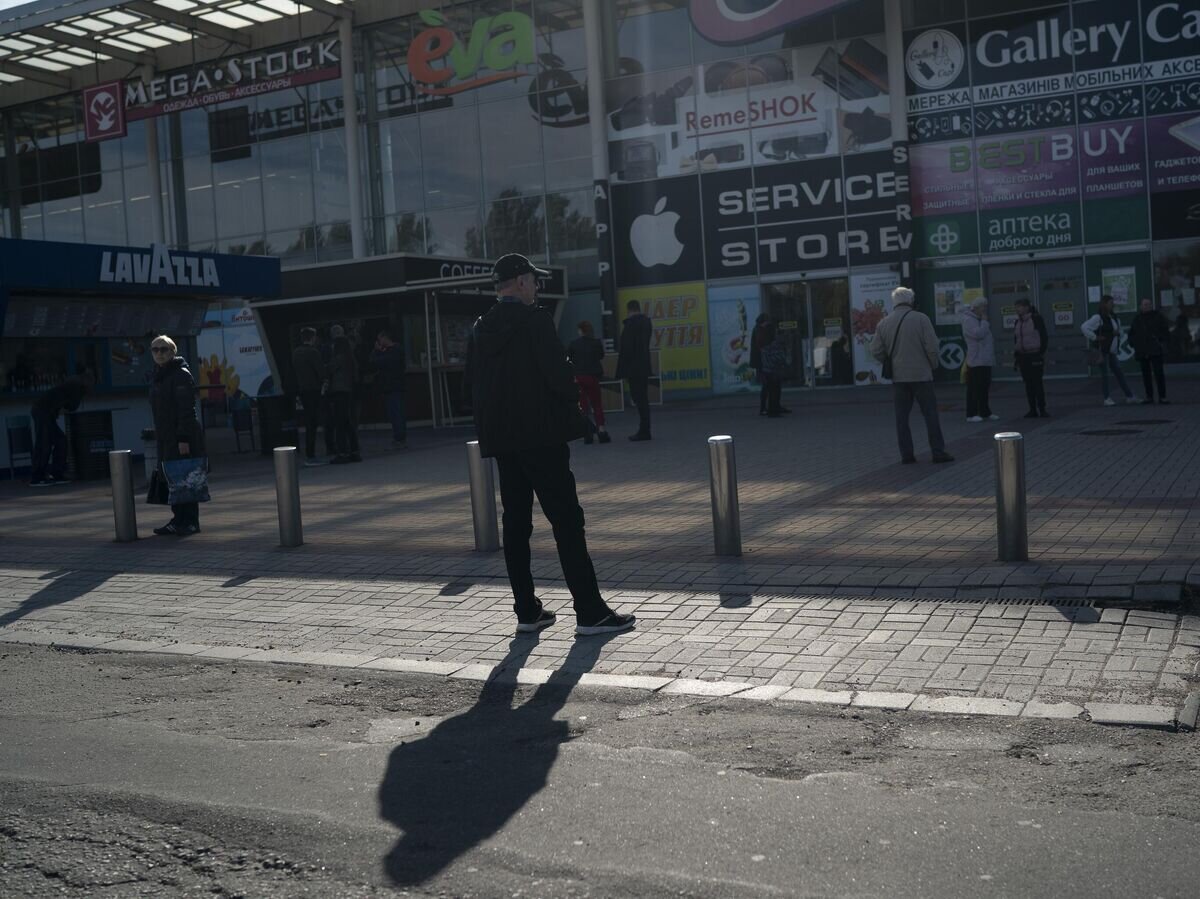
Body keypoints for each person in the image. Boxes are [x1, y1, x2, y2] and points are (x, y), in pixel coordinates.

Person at [465, 253, 634, 637]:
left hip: (504, 441)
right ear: (522, 282)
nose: (538, 287)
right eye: (535, 280)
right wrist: (571, 398)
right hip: (541, 437)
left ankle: (527, 610)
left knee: (516, 523)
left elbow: (470, 386)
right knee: (567, 521)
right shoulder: (535, 320)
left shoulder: (481, 328)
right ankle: (590, 611)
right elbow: (559, 377)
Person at [870, 286, 954, 465]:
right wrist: (933, 365)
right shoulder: (921, 319)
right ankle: (938, 452)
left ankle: (907, 455)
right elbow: (932, 346)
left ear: (894, 302)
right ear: (911, 300)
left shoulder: (884, 323)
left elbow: (875, 350)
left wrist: (889, 360)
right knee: (930, 415)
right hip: (922, 376)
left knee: (902, 418)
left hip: (899, 378)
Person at [148, 335, 204, 536]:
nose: (159, 353)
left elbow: (186, 409)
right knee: (172, 478)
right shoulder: (160, 375)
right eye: (155, 349)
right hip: (166, 436)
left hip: (179, 436)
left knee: (185, 477)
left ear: (173, 352)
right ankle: (178, 519)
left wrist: (183, 438)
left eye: (164, 349)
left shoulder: (180, 374)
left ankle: (189, 521)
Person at [28, 374, 88, 487]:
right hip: (42, 412)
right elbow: (72, 407)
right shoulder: (74, 390)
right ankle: (37, 477)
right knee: (44, 443)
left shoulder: (65, 388)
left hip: (44, 412)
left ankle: (56, 473)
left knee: (60, 441)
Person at [1081, 295, 1138, 406]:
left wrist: (1118, 333)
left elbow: (1119, 332)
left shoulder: (1113, 317)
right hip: (1102, 350)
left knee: (1118, 372)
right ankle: (1107, 398)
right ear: (1104, 304)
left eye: (1113, 303)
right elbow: (1084, 327)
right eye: (1111, 303)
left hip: (1112, 350)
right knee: (1105, 374)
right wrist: (1095, 337)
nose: (1113, 305)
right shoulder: (1098, 317)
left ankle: (1129, 396)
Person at [567, 320, 611, 445]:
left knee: (583, 406)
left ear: (580, 330)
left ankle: (587, 433)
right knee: (597, 404)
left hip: (579, 377)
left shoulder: (574, 344)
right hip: (593, 377)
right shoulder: (596, 343)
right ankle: (601, 430)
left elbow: (568, 358)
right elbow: (601, 356)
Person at [616, 299, 653, 441]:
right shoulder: (646, 323)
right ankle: (645, 429)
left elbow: (626, 349)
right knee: (643, 398)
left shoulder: (630, 325)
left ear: (629, 310)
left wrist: (623, 371)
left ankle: (644, 431)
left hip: (633, 368)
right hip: (644, 366)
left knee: (638, 398)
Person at [292, 327, 328, 466]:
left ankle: (309, 452)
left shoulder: (296, 353)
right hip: (314, 389)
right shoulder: (313, 352)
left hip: (303, 389)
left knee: (309, 421)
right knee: (314, 421)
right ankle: (311, 454)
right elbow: (321, 371)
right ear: (313, 338)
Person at [960, 296, 998, 423]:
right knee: (974, 388)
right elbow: (978, 334)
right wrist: (985, 322)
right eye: (983, 306)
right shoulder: (968, 320)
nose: (985, 309)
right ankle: (971, 413)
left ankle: (985, 411)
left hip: (985, 359)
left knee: (984, 387)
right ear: (975, 308)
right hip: (976, 360)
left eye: (985, 306)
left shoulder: (979, 319)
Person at [326, 325, 361, 463]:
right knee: (348, 422)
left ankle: (342, 452)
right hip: (349, 391)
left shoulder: (338, 358)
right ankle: (354, 450)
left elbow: (329, 369)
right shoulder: (351, 358)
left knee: (340, 423)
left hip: (339, 391)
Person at [1128, 298, 1171, 405]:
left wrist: (1160, 340)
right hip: (1142, 350)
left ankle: (1162, 396)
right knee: (1145, 374)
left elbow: (1165, 330)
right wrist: (1134, 343)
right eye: (1145, 304)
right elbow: (1132, 333)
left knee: (1159, 373)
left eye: (1149, 304)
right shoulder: (1137, 319)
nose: (1147, 306)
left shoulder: (1158, 316)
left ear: (1152, 305)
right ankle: (1149, 396)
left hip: (1155, 349)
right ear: (1141, 306)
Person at [371, 328, 409, 448]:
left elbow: (378, 362)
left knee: (395, 413)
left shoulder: (392, 352)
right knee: (397, 412)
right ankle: (400, 437)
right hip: (395, 385)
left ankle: (399, 438)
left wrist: (377, 351)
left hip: (392, 386)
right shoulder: (396, 350)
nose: (379, 342)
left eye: (379, 339)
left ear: (384, 338)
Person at [1012, 298, 1049, 418]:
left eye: (1019, 307)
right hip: (1023, 356)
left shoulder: (1036, 319)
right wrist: (1017, 354)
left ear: (1026, 307)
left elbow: (1043, 336)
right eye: (1016, 307)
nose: (1017, 309)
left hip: (1035, 354)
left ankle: (1042, 409)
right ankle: (1032, 409)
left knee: (1037, 382)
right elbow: (1016, 339)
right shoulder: (1018, 322)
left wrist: (1041, 352)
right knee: (1028, 384)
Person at [758, 325, 787, 417]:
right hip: (773, 370)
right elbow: (778, 357)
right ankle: (773, 410)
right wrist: (782, 359)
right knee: (774, 390)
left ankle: (773, 409)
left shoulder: (764, 343)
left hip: (767, 369)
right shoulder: (773, 344)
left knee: (772, 390)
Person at [750, 313, 771, 415]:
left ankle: (764, 407)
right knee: (766, 384)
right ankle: (763, 408)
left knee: (766, 384)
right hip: (761, 362)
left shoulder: (757, 329)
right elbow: (761, 344)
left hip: (759, 361)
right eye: (767, 321)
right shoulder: (759, 330)